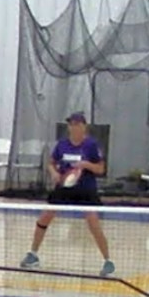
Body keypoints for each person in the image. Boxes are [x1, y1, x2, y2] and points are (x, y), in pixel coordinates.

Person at [20, 112, 115, 277]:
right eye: (71, 124)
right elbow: (51, 163)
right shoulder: (62, 144)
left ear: (83, 126)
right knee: (44, 218)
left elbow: (100, 169)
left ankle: (108, 261)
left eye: (77, 124)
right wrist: (54, 173)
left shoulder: (91, 145)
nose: (73, 127)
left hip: (85, 189)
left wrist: (86, 164)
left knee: (93, 223)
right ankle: (33, 254)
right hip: (64, 186)